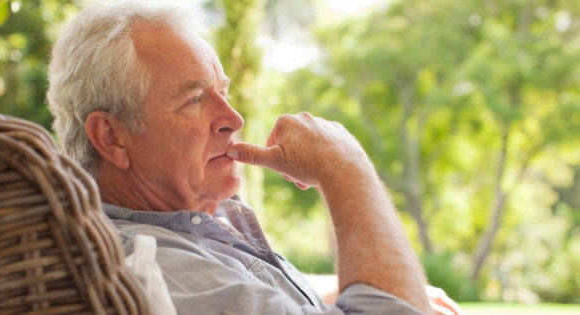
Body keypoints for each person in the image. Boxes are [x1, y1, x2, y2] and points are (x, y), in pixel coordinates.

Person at [47, 1, 454, 314]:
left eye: (222, 91)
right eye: (193, 99)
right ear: (112, 136)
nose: (233, 118)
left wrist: (328, 289)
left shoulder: (184, 240)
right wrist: (345, 166)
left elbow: (227, 285)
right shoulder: (143, 266)